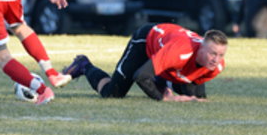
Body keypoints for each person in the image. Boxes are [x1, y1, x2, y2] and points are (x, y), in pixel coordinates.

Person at [62, 23, 228, 102]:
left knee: (194, 99)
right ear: (201, 48)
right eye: (213, 53)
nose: (216, 59)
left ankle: (160, 80)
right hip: (146, 42)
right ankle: (84, 65)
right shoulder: (180, 52)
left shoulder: (217, 66)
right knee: (112, 94)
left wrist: (194, 98)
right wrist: (164, 98)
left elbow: (191, 82)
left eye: (220, 55)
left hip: (166, 51)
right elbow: (141, 76)